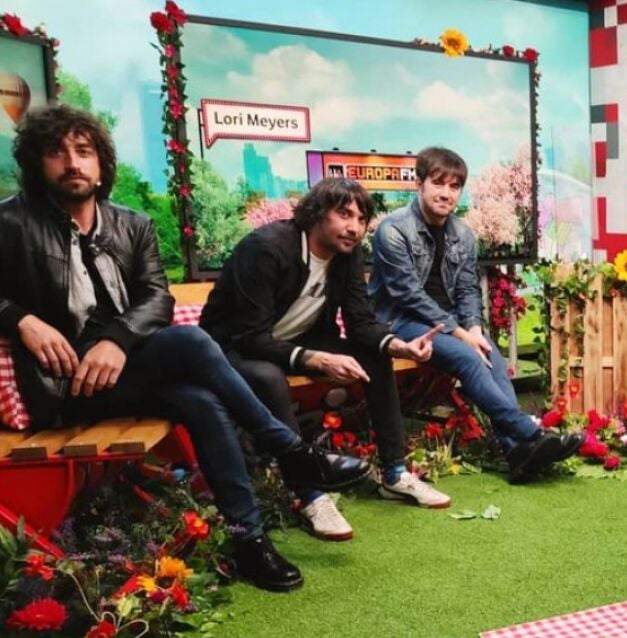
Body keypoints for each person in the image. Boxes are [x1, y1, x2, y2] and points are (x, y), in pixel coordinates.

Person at [0, 105, 370, 592]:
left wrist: (117, 339)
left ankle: (248, 540)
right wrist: (22, 320)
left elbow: (158, 299)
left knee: (199, 398)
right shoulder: (10, 222)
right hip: (63, 385)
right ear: (36, 162)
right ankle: (291, 451)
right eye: (56, 152)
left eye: (84, 151)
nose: (72, 163)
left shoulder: (132, 224)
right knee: (193, 344)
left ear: (101, 164)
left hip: (123, 372)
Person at [201, 178, 450, 542]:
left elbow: (360, 321)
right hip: (232, 347)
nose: (354, 227)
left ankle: (395, 473)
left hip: (296, 339)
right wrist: (314, 359)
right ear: (317, 213)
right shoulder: (266, 248)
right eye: (344, 214)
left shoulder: (347, 254)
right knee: (269, 378)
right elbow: (250, 336)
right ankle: (310, 495)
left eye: (361, 219)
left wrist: (401, 346)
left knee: (375, 356)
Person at [370, 147, 581, 483]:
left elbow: (468, 290)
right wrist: (459, 333)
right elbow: (407, 295)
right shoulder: (393, 230)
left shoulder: (463, 234)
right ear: (419, 184)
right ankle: (528, 430)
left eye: (454, 186)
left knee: (492, 359)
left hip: (450, 322)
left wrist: (474, 329)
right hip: (401, 321)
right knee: (468, 357)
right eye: (438, 183)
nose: (446, 193)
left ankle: (518, 454)